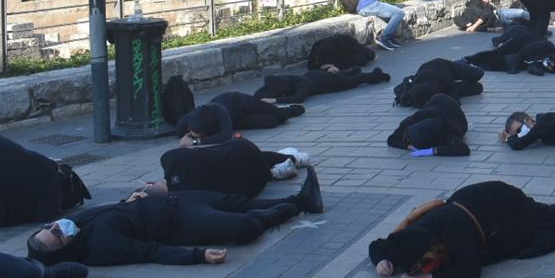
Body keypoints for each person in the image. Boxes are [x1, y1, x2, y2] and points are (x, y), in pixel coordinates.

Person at [26, 172, 322, 267]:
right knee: (245, 226)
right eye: (58, 235)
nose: (58, 226)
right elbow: (150, 252)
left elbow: (113, 211)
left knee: (239, 202)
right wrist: (199, 255)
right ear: (66, 248)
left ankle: (300, 200)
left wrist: (130, 199)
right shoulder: (101, 247)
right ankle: (297, 205)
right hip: (180, 224)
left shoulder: (81, 223)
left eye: (50, 227)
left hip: (175, 201)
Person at [368, 181, 555, 278]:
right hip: (473, 200)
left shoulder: (454, 234)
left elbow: (470, 273)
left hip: (495, 214)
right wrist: (382, 260)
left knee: (533, 233)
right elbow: (377, 245)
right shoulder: (411, 233)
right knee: (540, 217)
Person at [156, 138, 313, 198]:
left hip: (252, 186)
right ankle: (293, 159)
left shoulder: (185, 197)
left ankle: (279, 169)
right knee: (246, 156)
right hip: (243, 151)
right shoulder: (170, 159)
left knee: (250, 163)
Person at [173, 93, 305, 147]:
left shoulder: (217, 110)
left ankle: (289, 109)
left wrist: (196, 141)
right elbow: (181, 130)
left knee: (280, 115)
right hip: (235, 120)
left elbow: (225, 136)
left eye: (198, 134)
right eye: (192, 133)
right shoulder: (188, 121)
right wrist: (188, 137)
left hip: (240, 102)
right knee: (270, 121)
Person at [464, 24, 555, 74]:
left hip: (526, 42)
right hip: (521, 41)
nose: (548, 68)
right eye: (551, 67)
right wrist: (514, 67)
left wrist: (534, 69)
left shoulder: (547, 62)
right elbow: (524, 51)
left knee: (500, 60)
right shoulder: (546, 48)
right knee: (497, 53)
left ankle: (474, 64)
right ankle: (468, 59)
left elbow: (533, 64)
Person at [387, 93, 470, 156]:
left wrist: (432, 151)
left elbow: (464, 149)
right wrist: (408, 146)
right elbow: (391, 139)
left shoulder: (449, 131)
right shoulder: (415, 118)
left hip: (456, 115)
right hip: (437, 100)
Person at [255, 66, 390, 105]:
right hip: (315, 75)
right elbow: (263, 91)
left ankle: (378, 75)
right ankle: (353, 69)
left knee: (356, 80)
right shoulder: (285, 81)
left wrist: (275, 100)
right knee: (347, 73)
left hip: (331, 83)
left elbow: (299, 98)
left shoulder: (301, 85)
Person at [306, 32, 375, 71]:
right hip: (335, 54)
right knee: (362, 60)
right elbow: (310, 66)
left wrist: (336, 67)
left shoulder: (338, 45)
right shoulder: (316, 48)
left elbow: (346, 60)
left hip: (349, 45)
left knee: (369, 56)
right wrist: (324, 68)